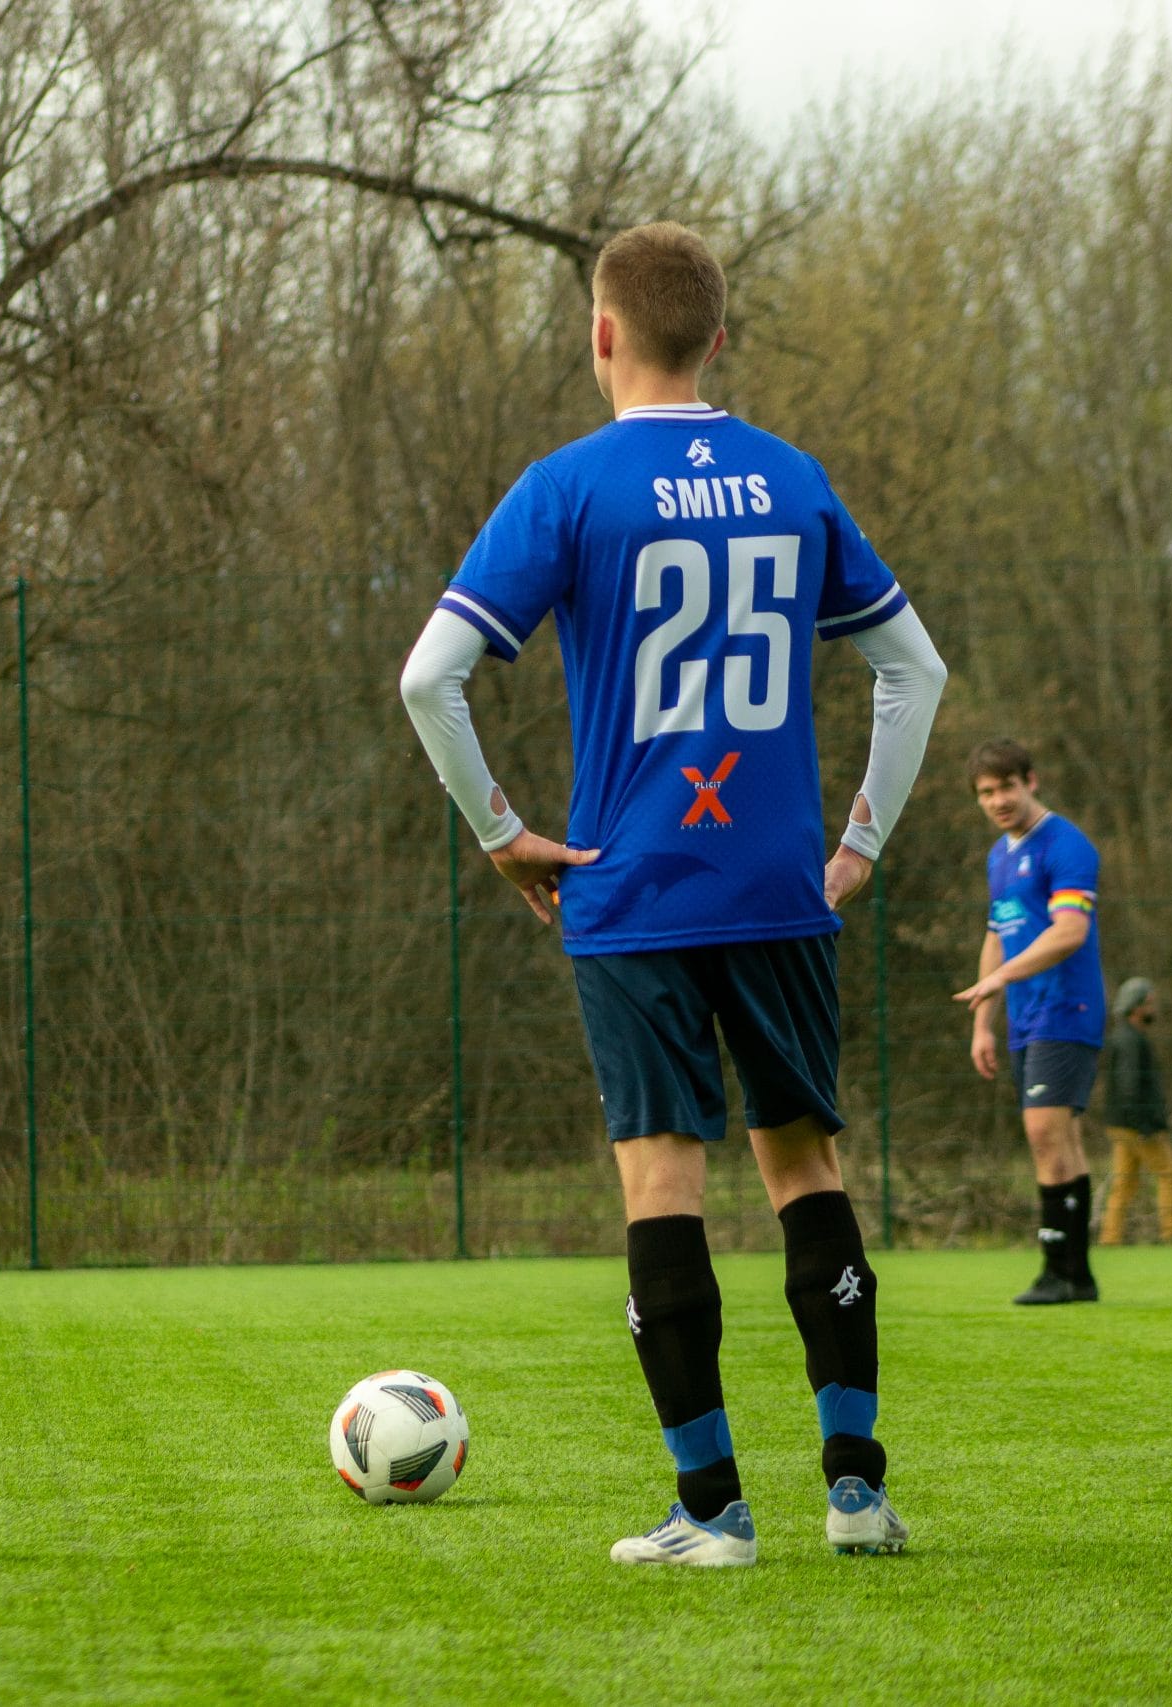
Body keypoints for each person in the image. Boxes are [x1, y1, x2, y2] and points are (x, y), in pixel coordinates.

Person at [397, 222, 946, 1567]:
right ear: (718, 336)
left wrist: (506, 833)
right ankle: (859, 1493)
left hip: (632, 894)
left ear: (602, 334)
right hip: (777, 887)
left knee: (664, 1188)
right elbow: (912, 669)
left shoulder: (567, 487)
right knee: (807, 1168)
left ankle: (713, 1510)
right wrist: (861, 835)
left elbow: (430, 678)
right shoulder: (794, 478)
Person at [952, 740, 1105, 1305]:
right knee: (1059, 1137)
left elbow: (1070, 931)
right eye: (986, 793)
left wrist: (1000, 980)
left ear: (1030, 781)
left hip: (1067, 1008)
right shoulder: (1000, 856)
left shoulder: (1066, 845)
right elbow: (997, 934)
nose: (997, 800)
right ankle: (1077, 1276)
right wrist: (982, 1023)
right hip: (1024, 1016)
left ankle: (1057, 1270)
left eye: (1006, 787)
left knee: (1044, 1133)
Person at [1099, 977, 1172, 1244]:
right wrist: (1144, 1124)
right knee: (1169, 1174)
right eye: (1149, 1003)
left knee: (1124, 1184)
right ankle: (1171, 1233)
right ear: (1136, 1008)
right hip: (1136, 1124)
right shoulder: (1131, 1042)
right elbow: (1129, 1085)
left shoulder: (1123, 1038)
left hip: (1120, 1122)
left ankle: (1110, 1237)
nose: (1153, 1009)